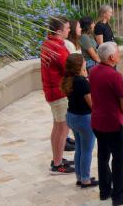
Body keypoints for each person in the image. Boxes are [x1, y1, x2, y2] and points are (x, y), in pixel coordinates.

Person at [89, 42, 123, 205]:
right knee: (120, 158)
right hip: (112, 123)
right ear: (111, 57)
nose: (119, 55)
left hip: (96, 121)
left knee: (103, 156)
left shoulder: (92, 71)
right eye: (117, 52)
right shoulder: (114, 75)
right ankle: (118, 195)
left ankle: (104, 191)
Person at [41, 16, 74, 174]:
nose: (70, 30)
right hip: (59, 93)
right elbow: (69, 68)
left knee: (57, 127)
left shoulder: (48, 44)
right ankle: (58, 164)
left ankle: (57, 158)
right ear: (59, 31)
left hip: (53, 92)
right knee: (63, 129)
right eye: (67, 28)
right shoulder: (58, 48)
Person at [61, 53, 96, 187]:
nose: (85, 63)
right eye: (83, 62)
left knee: (79, 149)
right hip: (84, 119)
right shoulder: (82, 82)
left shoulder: (68, 79)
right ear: (79, 65)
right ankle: (85, 179)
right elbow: (91, 104)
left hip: (71, 116)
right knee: (87, 150)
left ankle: (80, 176)